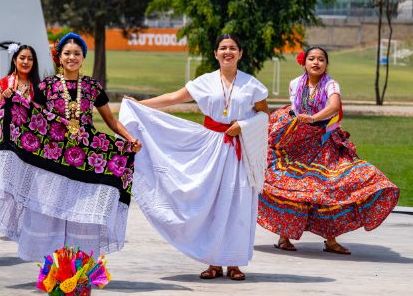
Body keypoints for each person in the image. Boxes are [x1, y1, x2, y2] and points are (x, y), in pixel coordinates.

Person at [0, 32, 141, 260]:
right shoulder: (48, 85)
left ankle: (80, 269)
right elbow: (32, 117)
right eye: (67, 53)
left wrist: (129, 139)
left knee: (80, 213)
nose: (71, 57)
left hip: (85, 154)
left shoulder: (93, 87)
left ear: (83, 57)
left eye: (76, 54)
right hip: (53, 155)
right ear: (59, 57)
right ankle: (52, 269)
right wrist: (11, 100)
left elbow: (111, 121)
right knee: (49, 210)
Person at [119, 34, 269, 281]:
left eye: (233, 48)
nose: (228, 52)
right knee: (211, 203)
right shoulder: (206, 82)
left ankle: (233, 263)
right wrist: (140, 104)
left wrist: (243, 125)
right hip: (210, 146)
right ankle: (212, 261)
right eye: (223, 48)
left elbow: (264, 116)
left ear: (241, 53)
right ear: (215, 54)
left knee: (236, 203)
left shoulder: (252, 85)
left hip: (238, 151)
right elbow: (173, 98)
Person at [258, 46, 399, 254]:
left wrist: (314, 118)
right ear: (304, 62)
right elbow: (296, 109)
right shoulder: (295, 84)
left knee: (328, 186)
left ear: (326, 64)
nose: (316, 62)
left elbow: (334, 106)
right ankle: (284, 236)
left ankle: (331, 240)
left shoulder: (331, 85)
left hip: (323, 140)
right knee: (292, 186)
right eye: (312, 58)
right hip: (296, 141)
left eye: (321, 59)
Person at [0, 43, 41, 123]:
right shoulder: (4, 83)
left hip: (30, 132)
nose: (26, 62)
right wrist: (4, 98)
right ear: (14, 60)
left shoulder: (39, 86)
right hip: (8, 131)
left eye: (30, 59)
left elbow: (42, 110)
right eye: (22, 58)